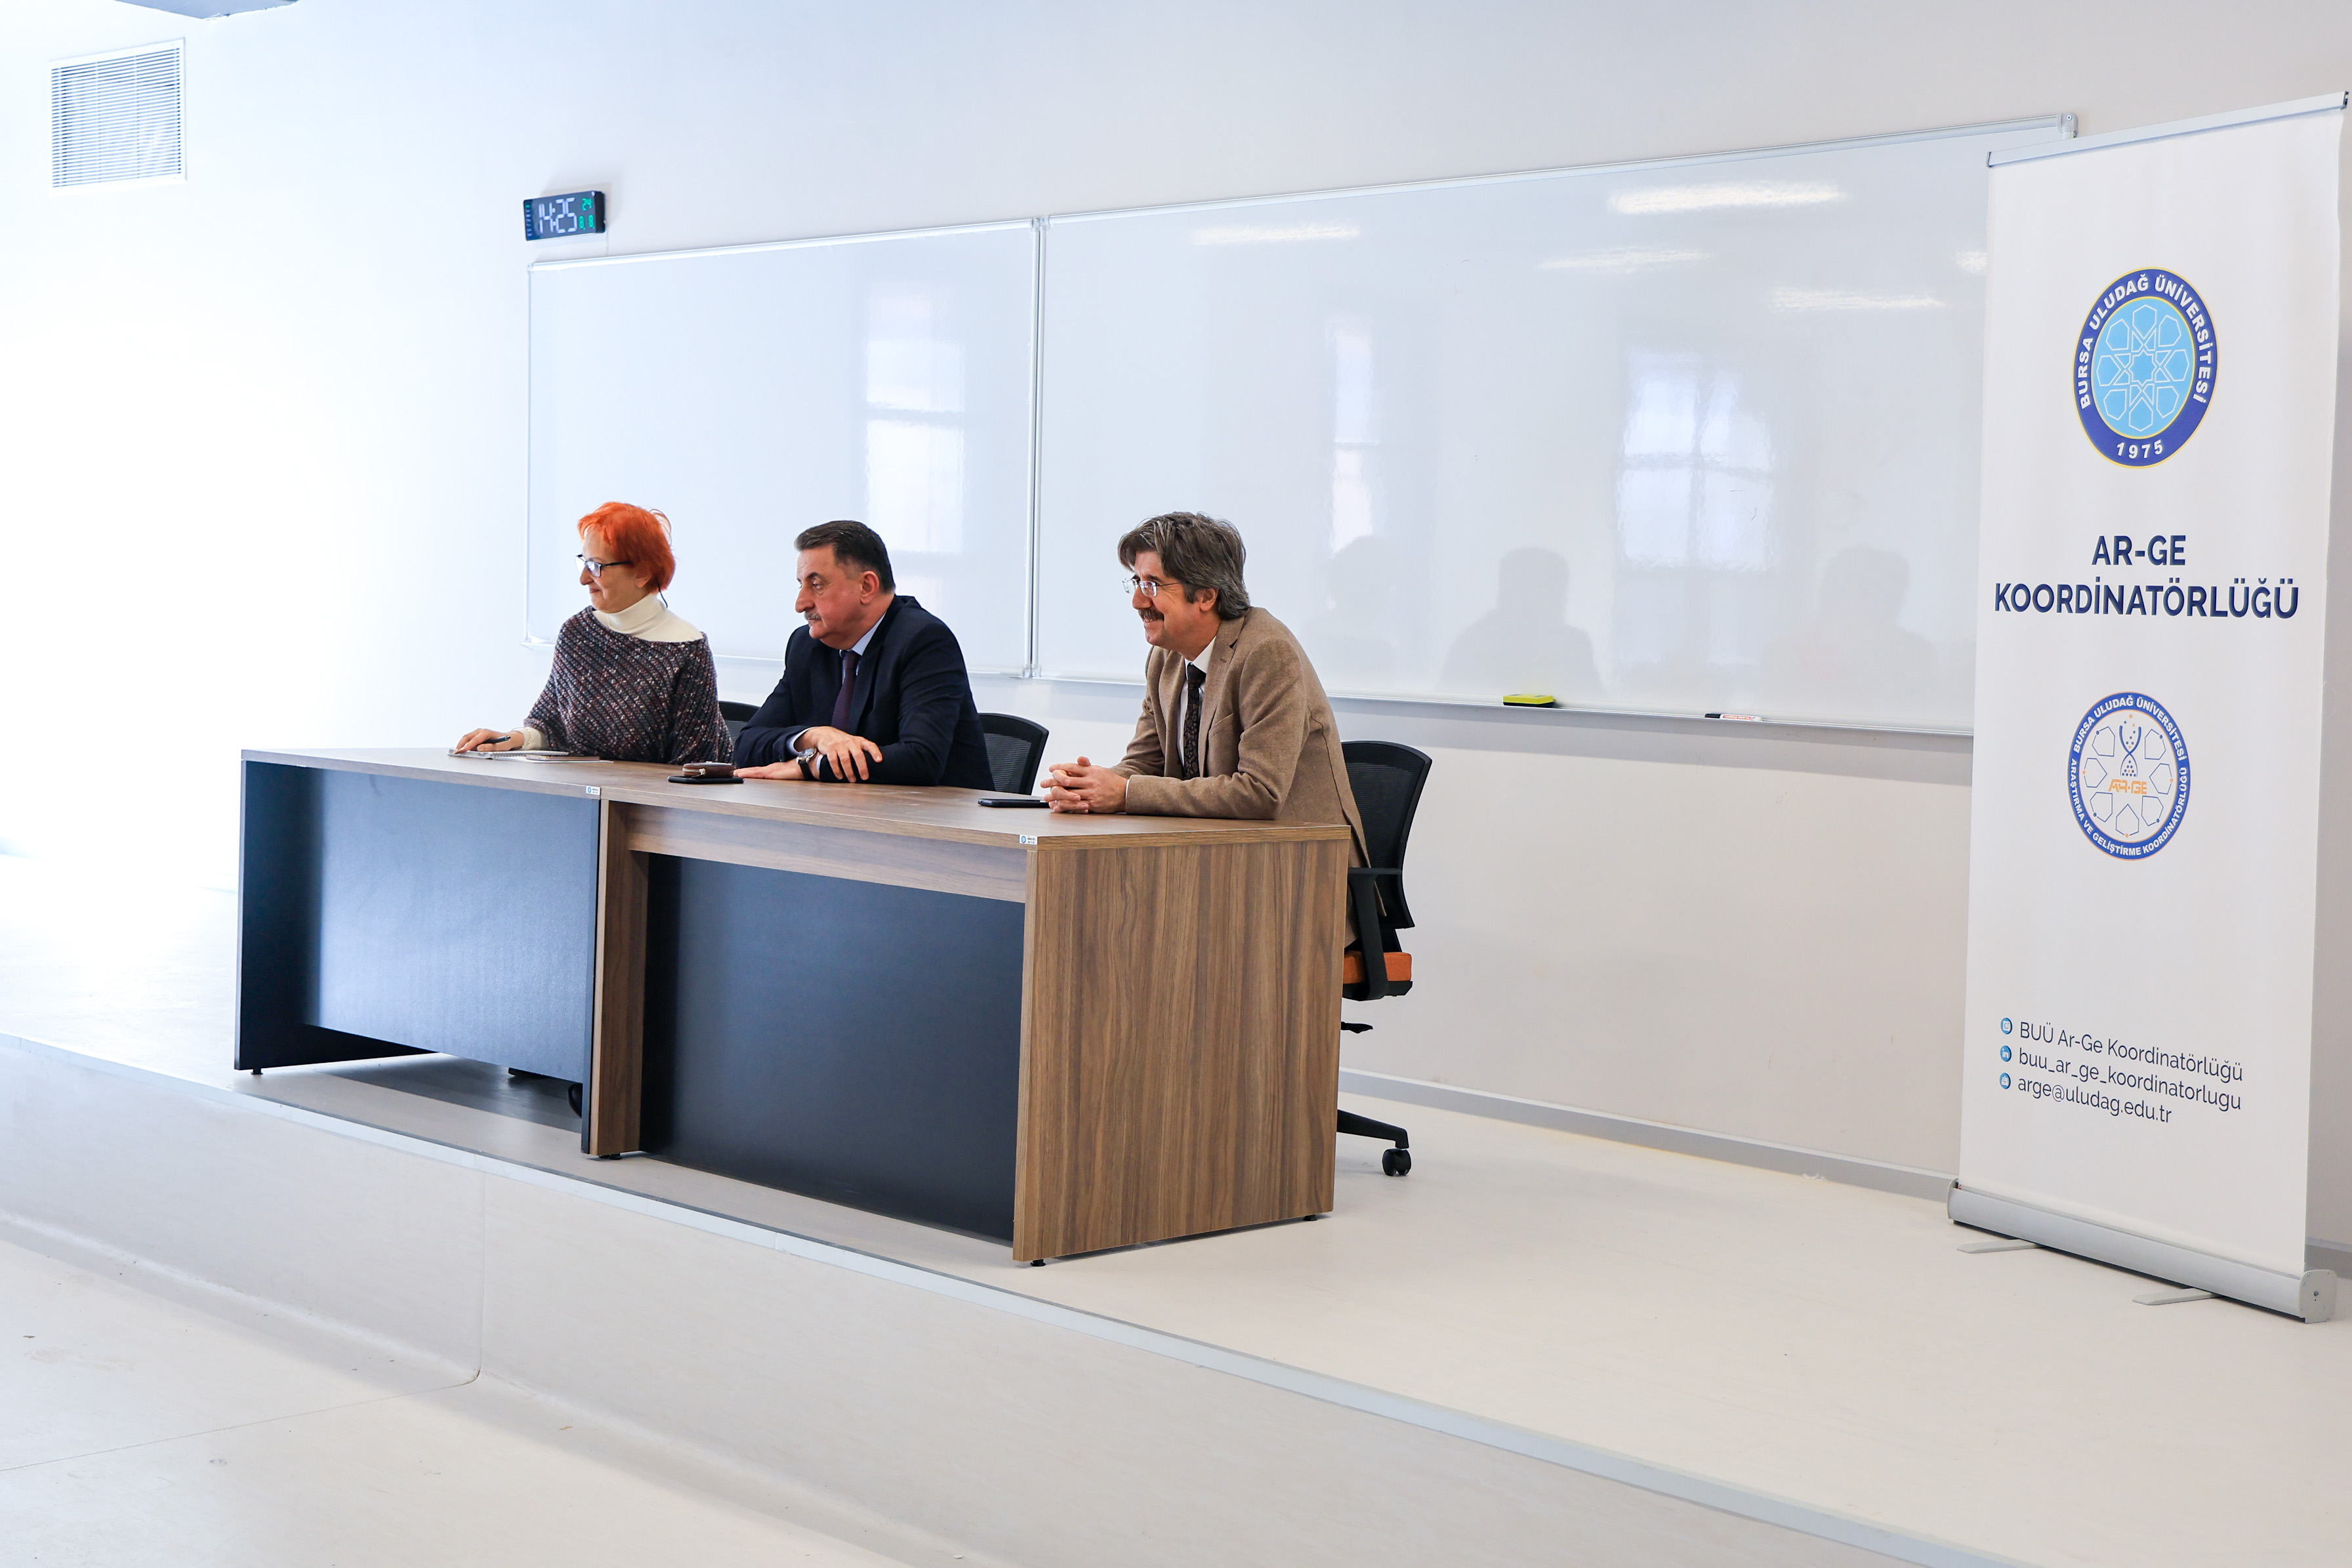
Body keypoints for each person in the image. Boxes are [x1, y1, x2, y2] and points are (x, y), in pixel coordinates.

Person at [1044, 511, 1365, 861]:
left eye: (1152, 585)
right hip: (1218, 857)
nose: (1137, 601)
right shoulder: (1165, 659)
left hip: (1301, 867)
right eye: (1136, 582)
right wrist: (1086, 787)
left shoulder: (1267, 653)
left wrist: (1125, 792)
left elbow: (1260, 793)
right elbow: (1145, 764)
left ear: (1206, 597)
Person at [455, 503, 728, 765]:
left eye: (596, 566)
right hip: (584, 792)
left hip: (647, 798)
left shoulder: (686, 649)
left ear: (643, 573)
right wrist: (511, 740)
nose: (584, 579)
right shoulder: (577, 632)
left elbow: (694, 766)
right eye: (583, 563)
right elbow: (552, 727)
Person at [733, 520, 993, 788]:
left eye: (817, 585)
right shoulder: (807, 645)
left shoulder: (924, 640)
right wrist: (814, 736)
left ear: (866, 587)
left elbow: (921, 759)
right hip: (841, 808)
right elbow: (747, 744)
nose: (801, 604)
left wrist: (811, 765)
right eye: (801, 585)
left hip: (938, 812)